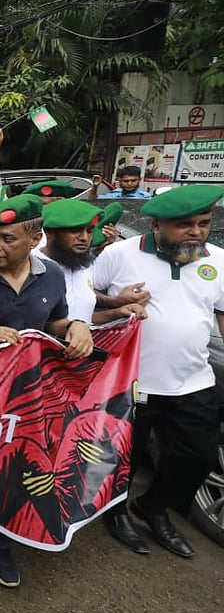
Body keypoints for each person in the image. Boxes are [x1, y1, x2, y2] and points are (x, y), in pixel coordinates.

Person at [0, 195, 93, 588]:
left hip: (28, 398)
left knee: (14, 470)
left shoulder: (53, 277)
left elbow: (57, 323)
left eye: (7, 238)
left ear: (34, 237)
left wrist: (77, 326)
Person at [91, 185, 224, 558]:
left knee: (197, 457)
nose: (197, 231)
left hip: (194, 381)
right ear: (156, 225)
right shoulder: (119, 255)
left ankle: (153, 506)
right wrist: (117, 302)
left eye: (203, 223)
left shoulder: (219, 260)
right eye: (185, 225)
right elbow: (85, 297)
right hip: (132, 382)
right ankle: (116, 512)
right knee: (124, 459)